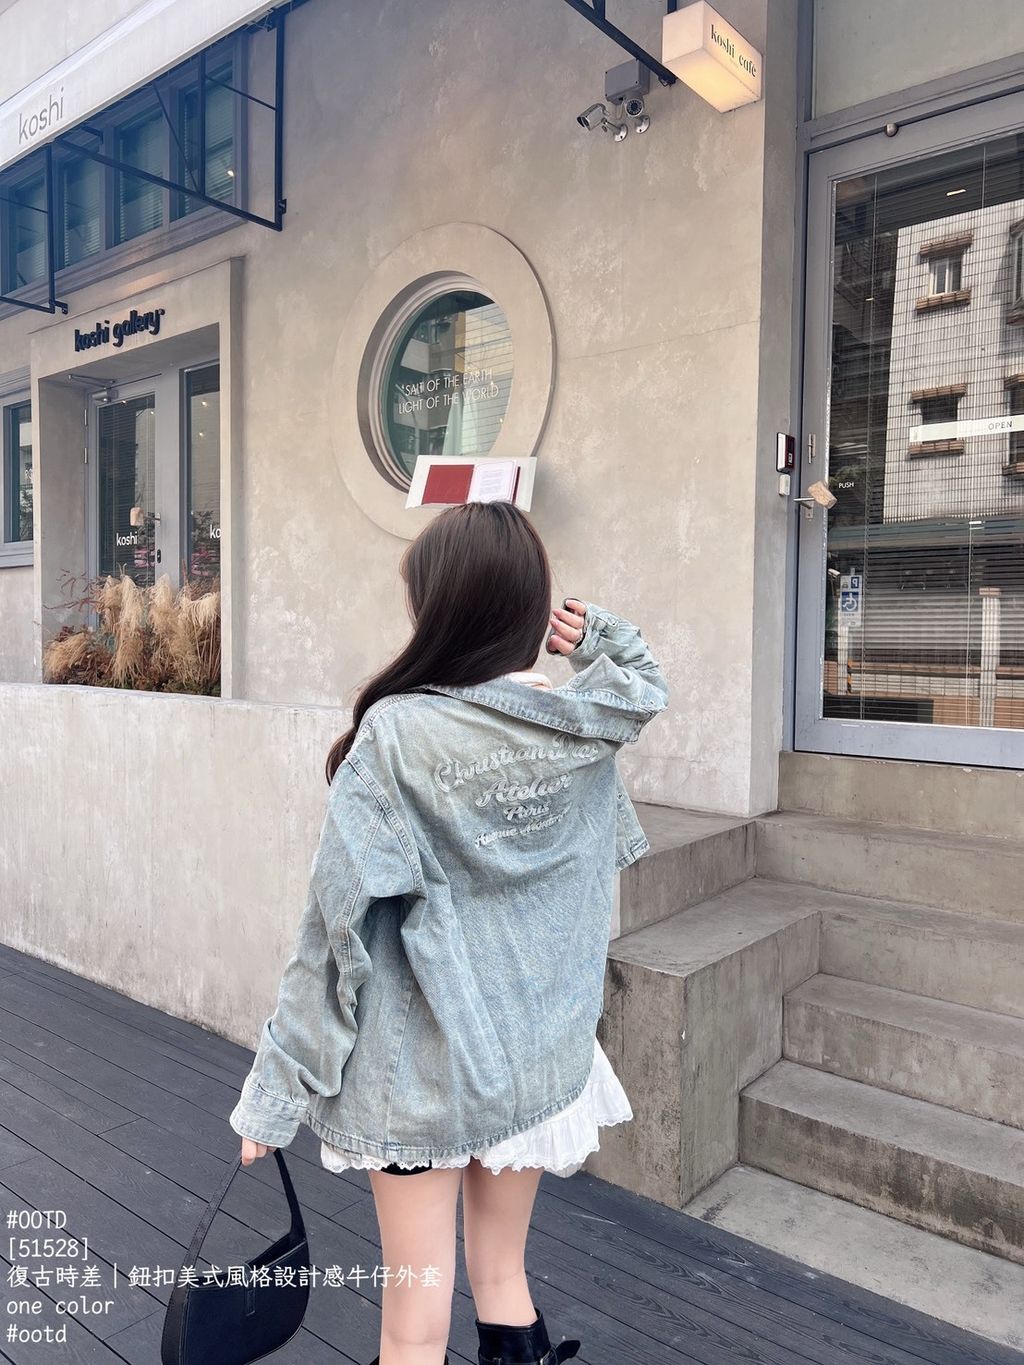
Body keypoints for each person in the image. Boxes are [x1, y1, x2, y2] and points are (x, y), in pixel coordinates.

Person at [228, 499, 669, 1365]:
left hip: (423, 1078)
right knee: (502, 1273)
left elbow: (333, 933)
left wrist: (276, 1091)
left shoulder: (398, 734)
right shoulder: (576, 724)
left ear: (439, 612)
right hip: (533, 1061)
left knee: (413, 1324)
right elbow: (642, 684)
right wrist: (595, 635)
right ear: (529, 610)